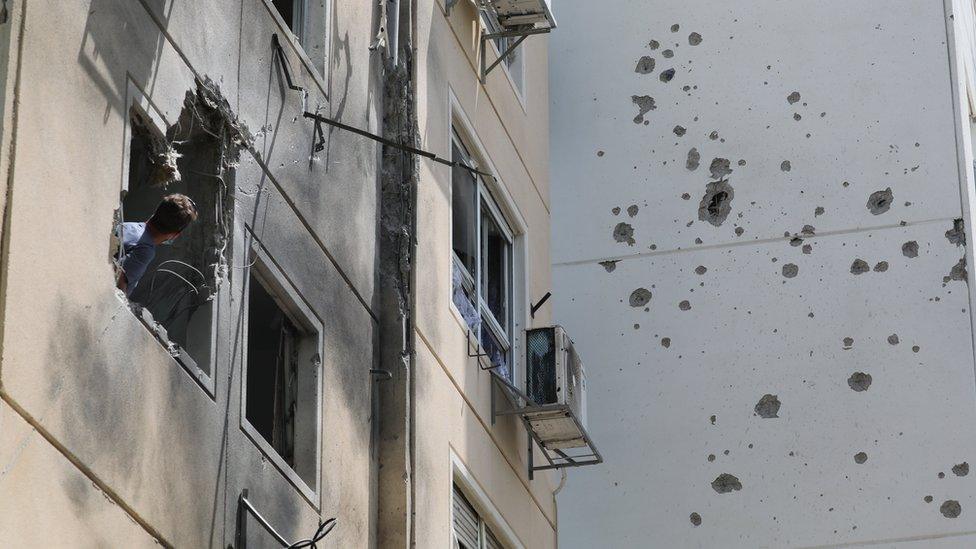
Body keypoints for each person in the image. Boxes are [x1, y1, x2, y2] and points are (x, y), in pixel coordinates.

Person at [116, 193, 198, 297]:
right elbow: (119, 288)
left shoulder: (126, 226)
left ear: (155, 213)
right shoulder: (145, 250)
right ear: (174, 235)